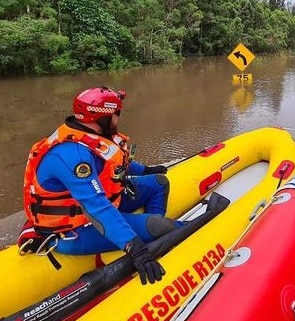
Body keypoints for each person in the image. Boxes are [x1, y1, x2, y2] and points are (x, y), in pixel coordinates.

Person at [21, 86, 180, 285]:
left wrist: (147, 170)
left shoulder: (89, 134)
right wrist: (135, 248)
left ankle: (156, 241)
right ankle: (155, 238)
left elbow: (113, 162)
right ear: (102, 118)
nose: (118, 118)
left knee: (158, 183)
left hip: (102, 201)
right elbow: (96, 207)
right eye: (116, 114)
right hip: (73, 228)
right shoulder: (72, 156)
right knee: (160, 225)